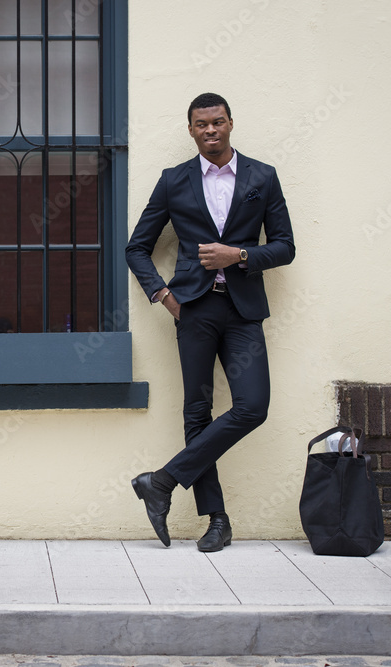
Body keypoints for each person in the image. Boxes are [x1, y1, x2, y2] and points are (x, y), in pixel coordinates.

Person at [125, 93, 295, 552]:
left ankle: (161, 481)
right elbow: (136, 247)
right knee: (197, 413)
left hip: (242, 312)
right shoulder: (173, 181)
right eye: (201, 125)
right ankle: (217, 519)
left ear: (231, 124)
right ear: (191, 130)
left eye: (217, 122)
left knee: (252, 406)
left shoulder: (263, 177)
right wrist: (163, 296)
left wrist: (239, 255)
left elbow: (284, 247)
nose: (210, 131)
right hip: (194, 310)